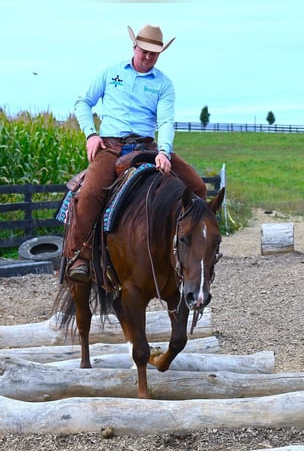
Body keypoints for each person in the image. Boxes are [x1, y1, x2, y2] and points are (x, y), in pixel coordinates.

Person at [66, 23, 207, 282]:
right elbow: (83, 101)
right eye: (144, 51)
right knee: (88, 195)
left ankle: (194, 253)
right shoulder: (111, 73)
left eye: (154, 53)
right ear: (135, 47)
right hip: (111, 146)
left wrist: (164, 152)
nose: (148, 57)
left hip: (148, 147)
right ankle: (81, 255)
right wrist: (91, 134)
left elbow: (165, 121)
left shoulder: (164, 84)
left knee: (197, 188)